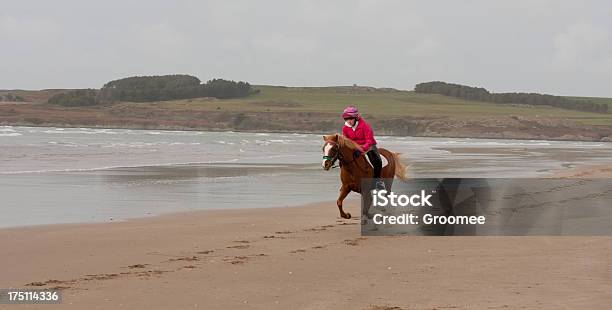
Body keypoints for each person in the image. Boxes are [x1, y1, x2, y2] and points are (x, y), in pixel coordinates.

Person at [341, 106, 385, 190]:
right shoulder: (345, 128)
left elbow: (369, 141)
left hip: (369, 147)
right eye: (346, 119)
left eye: (350, 118)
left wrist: (361, 150)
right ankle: (346, 181)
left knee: (377, 162)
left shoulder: (365, 126)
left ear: (356, 118)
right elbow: (346, 141)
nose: (348, 121)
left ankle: (378, 182)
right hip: (354, 147)